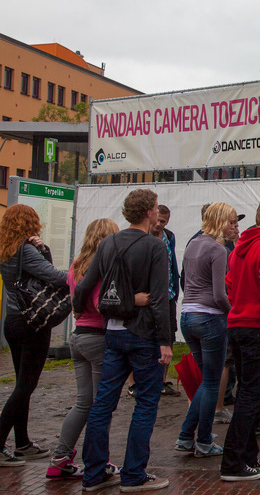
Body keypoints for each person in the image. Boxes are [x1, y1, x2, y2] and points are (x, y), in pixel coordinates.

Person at [74, 189, 173, 492]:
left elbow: (84, 287)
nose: (158, 213)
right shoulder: (155, 246)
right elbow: (158, 299)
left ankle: (93, 474)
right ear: (148, 213)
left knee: (103, 402)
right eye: (156, 209)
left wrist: (82, 309)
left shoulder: (107, 243)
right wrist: (166, 341)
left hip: (113, 333)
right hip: (144, 335)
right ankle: (133, 474)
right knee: (145, 403)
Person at [47, 218, 122, 480]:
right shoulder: (102, 267)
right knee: (103, 405)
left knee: (84, 403)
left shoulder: (76, 265)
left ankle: (59, 458)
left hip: (78, 337)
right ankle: (100, 461)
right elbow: (102, 304)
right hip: (99, 338)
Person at [219, 196, 260, 482]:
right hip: (257, 327)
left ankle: (247, 457)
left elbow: (230, 287)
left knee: (248, 392)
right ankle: (233, 463)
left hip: (237, 324)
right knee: (250, 396)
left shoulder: (239, 249)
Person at [0, 204, 68, 467]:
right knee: (26, 386)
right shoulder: (25, 250)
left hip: (14, 322)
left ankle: (23, 443)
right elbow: (54, 277)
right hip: (33, 325)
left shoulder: (8, 250)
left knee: (22, 384)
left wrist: (43, 250)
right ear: (31, 224)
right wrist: (79, 274)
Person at [175, 202, 239, 458]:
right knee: (212, 383)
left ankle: (187, 436)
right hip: (209, 318)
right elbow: (218, 294)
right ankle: (202, 440)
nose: (235, 227)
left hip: (188, 316)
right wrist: (232, 311)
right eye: (232, 221)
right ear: (221, 221)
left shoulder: (193, 243)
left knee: (206, 381)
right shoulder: (218, 249)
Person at [151, 205, 181, 397]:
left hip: (168, 294)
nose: (159, 224)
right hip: (150, 296)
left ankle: (161, 380)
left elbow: (172, 264)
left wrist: (175, 290)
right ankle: (135, 382)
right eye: (157, 220)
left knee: (168, 335)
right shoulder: (144, 235)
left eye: (163, 221)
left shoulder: (168, 236)